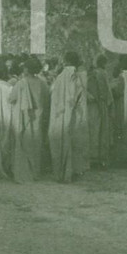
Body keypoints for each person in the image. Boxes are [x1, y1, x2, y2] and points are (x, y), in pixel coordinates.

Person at [49, 51, 89, 182]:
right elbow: (77, 97)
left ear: (65, 61)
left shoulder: (60, 77)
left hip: (59, 114)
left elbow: (53, 94)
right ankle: (72, 171)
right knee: (74, 142)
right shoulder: (77, 77)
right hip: (74, 114)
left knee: (60, 141)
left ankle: (61, 172)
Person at [9, 58, 49, 182]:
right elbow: (47, 99)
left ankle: (23, 172)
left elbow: (11, 98)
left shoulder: (21, 83)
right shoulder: (43, 83)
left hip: (24, 116)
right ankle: (35, 172)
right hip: (38, 116)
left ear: (26, 69)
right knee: (36, 143)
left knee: (23, 143)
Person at [86, 54, 114, 169]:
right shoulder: (102, 73)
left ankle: (93, 158)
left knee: (94, 130)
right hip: (100, 104)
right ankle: (99, 159)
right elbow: (106, 90)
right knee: (101, 131)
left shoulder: (92, 73)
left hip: (93, 104)